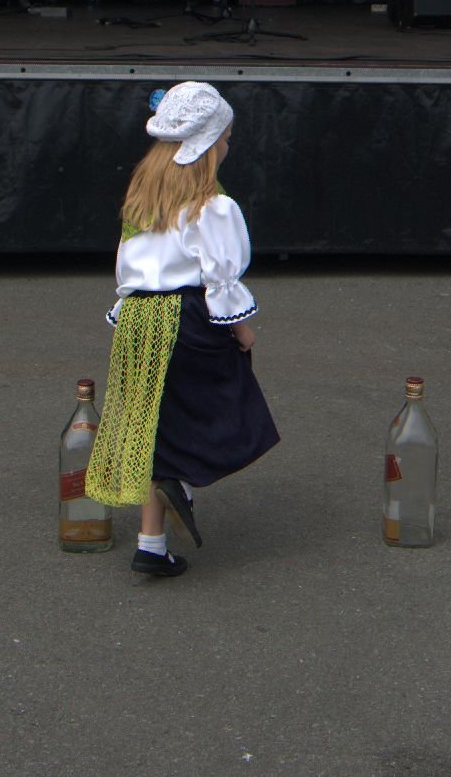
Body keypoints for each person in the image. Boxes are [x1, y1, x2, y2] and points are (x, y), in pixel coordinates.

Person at [85, 82, 280, 577]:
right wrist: (241, 331)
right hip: (186, 319)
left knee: (155, 424)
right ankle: (184, 477)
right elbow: (220, 277)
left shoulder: (141, 200)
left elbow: (128, 271)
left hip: (138, 322)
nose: (228, 147)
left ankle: (152, 543)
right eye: (226, 139)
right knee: (224, 410)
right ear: (208, 147)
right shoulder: (212, 206)